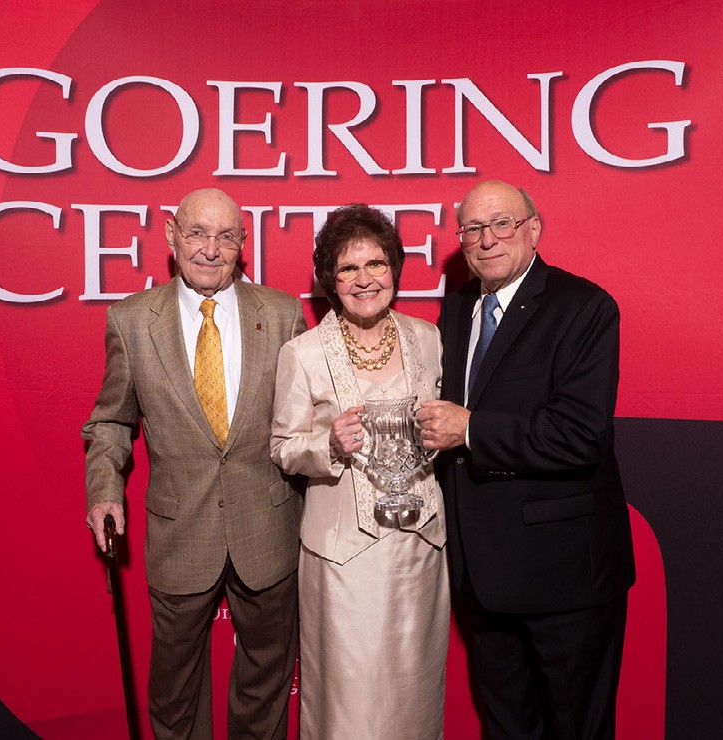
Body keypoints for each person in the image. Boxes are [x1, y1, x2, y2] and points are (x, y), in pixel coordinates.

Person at [82, 188, 307, 739]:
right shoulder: (132, 322)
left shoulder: (282, 315)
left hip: (268, 530)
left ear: (242, 244)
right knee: (175, 694)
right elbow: (111, 423)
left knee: (267, 686)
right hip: (180, 534)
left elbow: (308, 419)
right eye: (198, 233)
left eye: (226, 236)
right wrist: (103, 489)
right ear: (171, 235)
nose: (210, 249)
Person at [417, 180, 636, 740]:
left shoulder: (584, 307)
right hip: (484, 575)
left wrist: (472, 429)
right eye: (472, 228)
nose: (486, 240)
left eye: (501, 224)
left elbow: (580, 435)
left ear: (533, 230)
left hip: (564, 577)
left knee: (577, 728)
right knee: (507, 727)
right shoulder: (461, 305)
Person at [270, 204, 449, 739]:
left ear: (395, 269)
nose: (364, 279)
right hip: (343, 557)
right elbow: (282, 446)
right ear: (330, 279)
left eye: (376, 264)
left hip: (419, 548)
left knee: (413, 694)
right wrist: (327, 444)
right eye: (348, 269)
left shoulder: (428, 338)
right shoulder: (301, 354)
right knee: (348, 701)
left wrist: (439, 436)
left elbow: (440, 427)